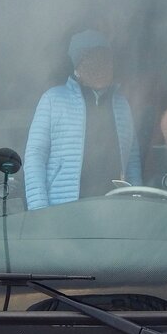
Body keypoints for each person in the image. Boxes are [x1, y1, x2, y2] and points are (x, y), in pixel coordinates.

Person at [24, 30, 142, 210]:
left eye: (105, 60)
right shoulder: (52, 100)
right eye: (91, 60)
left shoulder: (121, 104)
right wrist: (39, 209)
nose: (100, 66)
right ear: (77, 67)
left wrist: (137, 204)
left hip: (115, 211)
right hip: (63, 212)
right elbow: (35, 156)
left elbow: (132, 161)